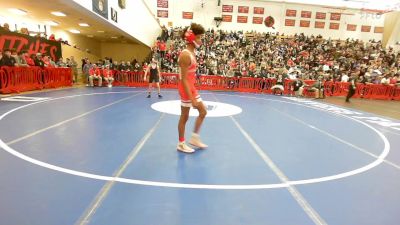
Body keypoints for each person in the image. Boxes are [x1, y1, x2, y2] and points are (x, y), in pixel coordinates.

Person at [176, 23, 207, 153]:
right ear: (191, 38)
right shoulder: (185, 55)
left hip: (191, 86)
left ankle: (194, 138)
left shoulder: (192, 53)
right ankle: (181, 143)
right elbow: (183, 79)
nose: (201, 40)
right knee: (185, 116)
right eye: (199, 37)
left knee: (202, 112)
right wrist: (191, 98)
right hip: (186, 88)